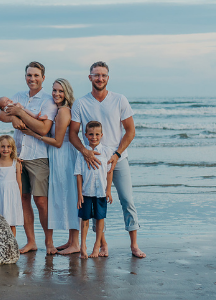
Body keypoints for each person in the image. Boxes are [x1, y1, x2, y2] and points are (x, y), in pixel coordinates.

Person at [69, 61, 146, 258]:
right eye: (96, 75)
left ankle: (134, 245)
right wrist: (85, 152)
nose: (99, 78)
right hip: (93, 161)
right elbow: (73, 134)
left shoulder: (120, 100)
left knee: (127, 199)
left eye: (103, 75)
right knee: (95, 201)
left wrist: (117, 154)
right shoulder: (81, 103)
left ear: (108, 78)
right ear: (90, 78)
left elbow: (130, 131)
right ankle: (102, 244)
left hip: (117, 160)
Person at [0, 61, 58, 254]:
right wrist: (14, 117)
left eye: (36, 75)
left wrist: (20, 113)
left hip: (38, 156)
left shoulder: (48, 100)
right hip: (18, 157)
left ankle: (49, 242)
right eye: (29, 75)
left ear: (43, 78)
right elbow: (0, 114)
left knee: (41, 201)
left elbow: (43, 128)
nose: (32, 79)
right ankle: (31, 241)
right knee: (23, 199)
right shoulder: (17, 97)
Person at [20, 78, 80, 255]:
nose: (56, 94)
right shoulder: (58, 110)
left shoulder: (63, 111)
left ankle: (75, 243)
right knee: (66, 196)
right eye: (54, 90)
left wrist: (33, 134)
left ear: (67, 93)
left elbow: (58, 142)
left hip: (64, 156)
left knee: (70, 197)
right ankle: (71, 240)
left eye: (60, 91)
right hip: (57, 156)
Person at [74, 121, 113, 259]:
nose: (94, 137)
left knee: (100, 217)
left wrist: (108, 190)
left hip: (101, 192)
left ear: (102, 135)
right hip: (86, 191)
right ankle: (83, 245)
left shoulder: (106, 151)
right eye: (91, 134)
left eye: (97, 134)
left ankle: (97, 245)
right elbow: (78, 174)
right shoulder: (81, 153)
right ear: (85, 135)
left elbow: (109, 172)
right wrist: (79, 194)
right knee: (85, 218)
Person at [0, 135, 23, 237]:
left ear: (12, 148)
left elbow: (19, 183)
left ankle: (12, 245)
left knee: (11, 223)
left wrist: (19, 199)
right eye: (3, 146)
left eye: (8, 146)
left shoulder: (16, 163)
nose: (5, 149)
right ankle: (0, 246)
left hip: (12, 196)